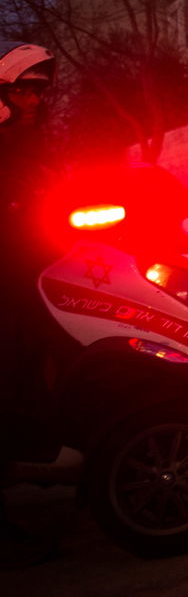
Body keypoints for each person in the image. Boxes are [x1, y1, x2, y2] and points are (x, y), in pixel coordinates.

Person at [0, 42, 62, 565]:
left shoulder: (31, 138)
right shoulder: (4, 138)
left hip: (31, 267)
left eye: (39, 91)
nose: (34, 100)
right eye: (25, 90)